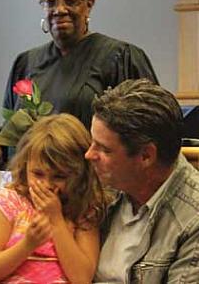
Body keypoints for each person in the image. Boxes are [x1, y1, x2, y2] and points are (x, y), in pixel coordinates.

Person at [0, 0, 158, 191]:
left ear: (89, 4)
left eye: (71, 0)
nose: (60, 9)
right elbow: (12, 126)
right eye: (50, 1)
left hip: (94, 194)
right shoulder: (26, 63)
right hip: (34, 192)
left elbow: (151, 132)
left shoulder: (120, 58)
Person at [85, 79, 199, 282]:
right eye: (92, 142)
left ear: (146, 156)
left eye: (104, 149)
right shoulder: (103, 189)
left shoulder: (193, 219)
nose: (89, 155)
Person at [0, 114, 107, 283]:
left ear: (79, 173)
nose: (46, 185)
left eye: (59, 176)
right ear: (25, 165)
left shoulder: (84, 209)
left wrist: (56, 219)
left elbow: (82, 278)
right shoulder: (9, 203)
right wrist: (27, 245)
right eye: (38, 174)